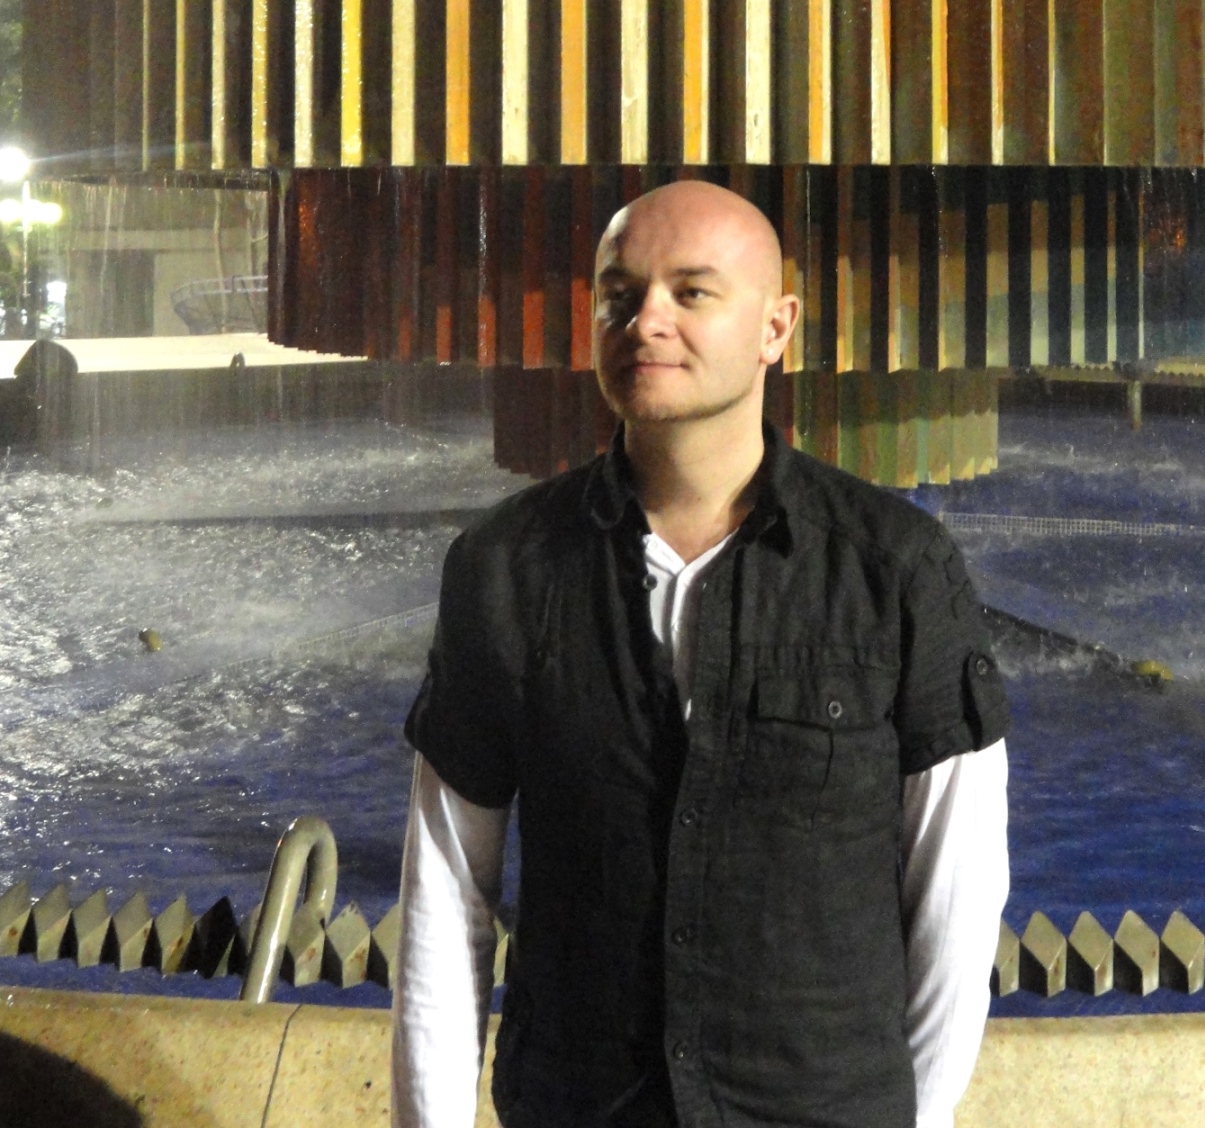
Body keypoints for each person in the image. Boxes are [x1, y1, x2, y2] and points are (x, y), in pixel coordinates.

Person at [392, 180, 1010, 1128]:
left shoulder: (897, 569)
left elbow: (956, 902)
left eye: (691, 291)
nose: (645, 321)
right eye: (619, 292)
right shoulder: (503, 568)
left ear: (775, 327)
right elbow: (445, 888)